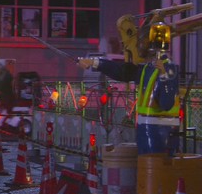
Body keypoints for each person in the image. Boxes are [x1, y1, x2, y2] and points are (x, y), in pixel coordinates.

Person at [77, 22, 180, 155]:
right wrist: (94, 62)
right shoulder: (147, 68)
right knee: (145, 165)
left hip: (161, 133)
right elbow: (120, 71)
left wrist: (164, 76)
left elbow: (167, 103)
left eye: (140, 42)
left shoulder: (167, 68)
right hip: (146, 129)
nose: (137, 47)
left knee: (155, 166)